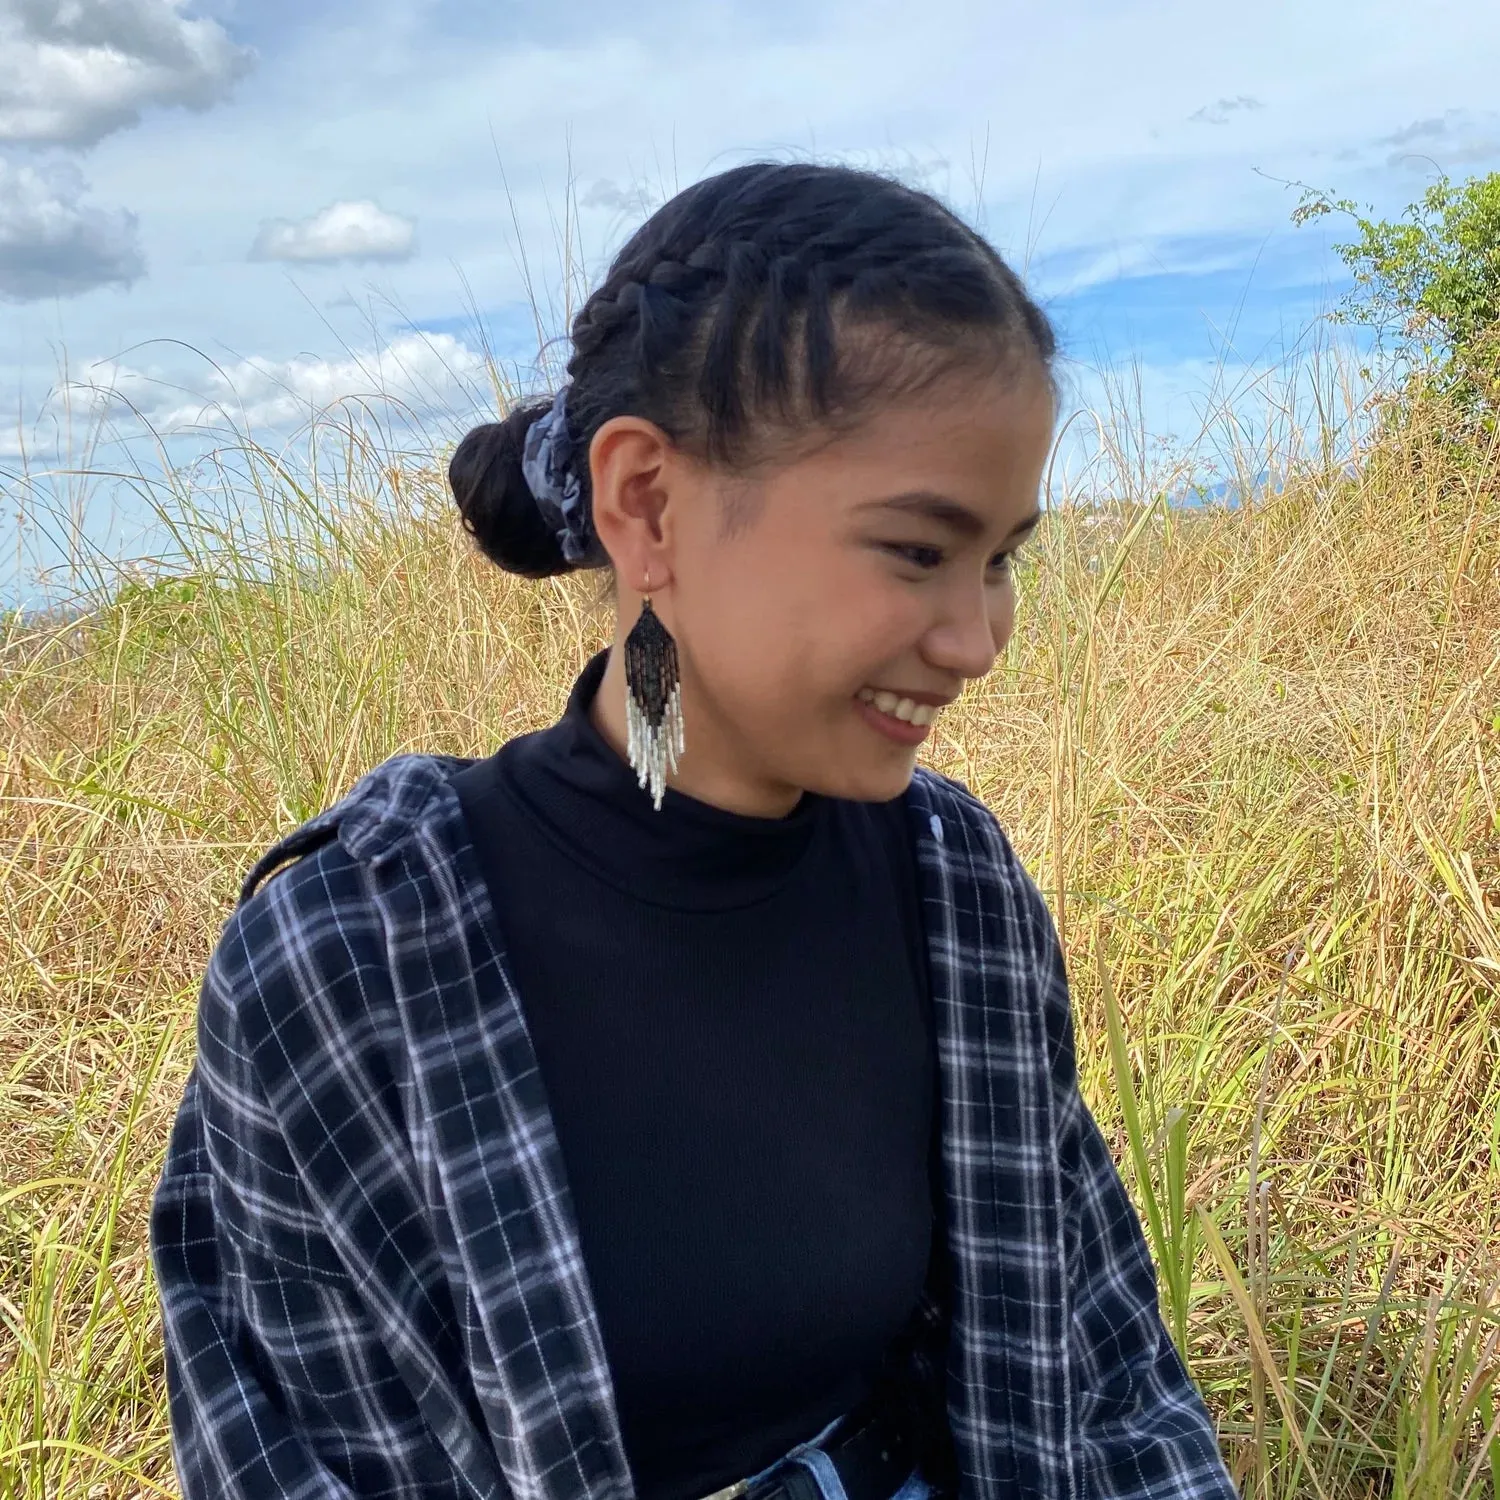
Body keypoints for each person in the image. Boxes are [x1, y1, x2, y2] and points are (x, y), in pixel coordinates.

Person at [150, 160, 1238, 1500]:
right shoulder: (352, 961)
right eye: (915, 550)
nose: (977, 640)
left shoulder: (954, 891)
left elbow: (1106, 1373)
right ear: (649, 507)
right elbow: (301, 1456)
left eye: (1002, 556)